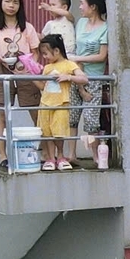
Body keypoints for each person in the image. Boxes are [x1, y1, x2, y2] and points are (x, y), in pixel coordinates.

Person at [0, 0, 40, 152]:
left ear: (20, 6)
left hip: (26, 74)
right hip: (3, 72)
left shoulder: (27, 28)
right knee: (3, 114)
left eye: (15, 2)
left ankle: (45, 153)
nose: (11, 5)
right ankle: (3, 155)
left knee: (36, 112)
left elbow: (36, 52)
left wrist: (30, 68)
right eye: (8, 1)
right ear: (1, 3)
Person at [71, 0, 111, 168]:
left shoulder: (106, 27)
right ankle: (71, 154)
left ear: (93, 7)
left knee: (91, 118)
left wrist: (77, 59)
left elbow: (102, 56)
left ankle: (96, 155)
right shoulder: (80, 23)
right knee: (72, 116)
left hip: (94, 77)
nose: (80, 7)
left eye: (82, 3)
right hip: (76, 74)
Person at [34, 35, 83, 170]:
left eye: (46, 53)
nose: (44, 57)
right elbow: (43, 86)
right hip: (45, 103)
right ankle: (51, 158)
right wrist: (30, 76)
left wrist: (68, 77)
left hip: (61, 103)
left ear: (56, 51)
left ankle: (60, 156)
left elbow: (83, 78)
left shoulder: (69, 64)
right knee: (47, 132)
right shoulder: (47, 67)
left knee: (59, 132)